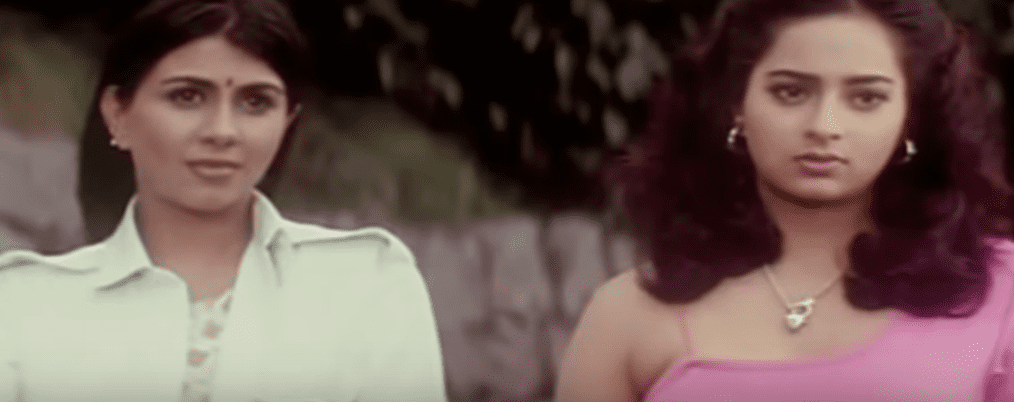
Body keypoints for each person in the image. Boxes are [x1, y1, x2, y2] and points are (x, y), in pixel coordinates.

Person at [555, 0, 1014, 400]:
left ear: (911, 118)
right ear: (736, 104)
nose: (824, 125)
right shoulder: (627, 315)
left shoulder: (1002, 294)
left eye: (866, 98)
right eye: (790, 92)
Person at [0, 0, 447, 400]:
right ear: (118, 113)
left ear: (287, 122)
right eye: (187, 96)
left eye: (256, 102)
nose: (222, 131)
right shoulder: (25, 304)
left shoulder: (366, 283)